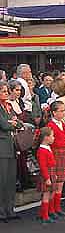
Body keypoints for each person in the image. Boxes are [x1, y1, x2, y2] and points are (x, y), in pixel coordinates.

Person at [0, 81, 20, 223]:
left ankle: (10, 209)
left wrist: (13, 123)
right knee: (2, 181)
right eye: (4, 91)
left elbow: (18, 122)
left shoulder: (9, 106)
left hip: (11, 146)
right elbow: (4, 125)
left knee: (11, 180)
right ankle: (2, 212)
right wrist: (11, 123)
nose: (6, 94)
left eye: (7, 91)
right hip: (2, 147)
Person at [48, 101, 65, 219]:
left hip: (62, 153)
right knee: (53, 183)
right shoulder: (51, 125)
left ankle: (57, 207)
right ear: (54, 112)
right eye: (61, 111)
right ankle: (50, 209)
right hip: (54, 153)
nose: (63, 113)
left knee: (61, 182)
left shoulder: (63, 124)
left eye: (64, 110)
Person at [36, 127, 56, 225]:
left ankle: (46, 213)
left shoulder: (47, 147)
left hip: (51, 172)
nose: (53, 138)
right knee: (46, 194)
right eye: (52, 136)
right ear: (46, 137)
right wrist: (47, 178)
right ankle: (45, 216)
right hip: (46, 173)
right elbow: (43, 166)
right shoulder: (42, 150)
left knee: (50, 193)